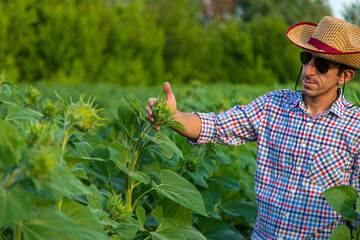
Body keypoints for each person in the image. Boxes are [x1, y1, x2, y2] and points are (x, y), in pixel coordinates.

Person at [146, 16, 360, 239]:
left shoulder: (356, 128)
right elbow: (218, 126)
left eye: (322, 65)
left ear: (345, 76)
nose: (308, 70)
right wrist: (172, 116)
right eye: (307, 58)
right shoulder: (273, 106)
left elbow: (356, 209)